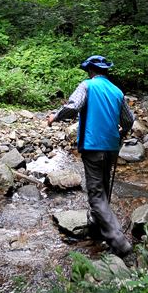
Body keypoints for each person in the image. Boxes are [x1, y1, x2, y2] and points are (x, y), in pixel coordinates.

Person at [47, 54, 133, 257]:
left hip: (93, 147)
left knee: (95, 195)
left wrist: (55, 116)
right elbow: (129, 120)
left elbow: (73, 107)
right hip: (111, 147)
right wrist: (121, 134)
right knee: (103, 188)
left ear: (91, 71)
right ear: (106, 71)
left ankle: (119, 241)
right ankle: (97, 224)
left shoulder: (87, 85)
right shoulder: (117, 91)